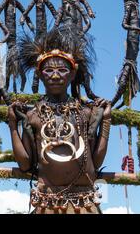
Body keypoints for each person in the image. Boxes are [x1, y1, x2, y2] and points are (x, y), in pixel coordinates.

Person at [8, 28, 111, 214]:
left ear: (72, 74)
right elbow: (25, 165)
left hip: (84, 203)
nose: (55, 76)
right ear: (39, 75)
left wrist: (106, 121)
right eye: (48, 70)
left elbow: (95, 162)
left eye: (62, 70)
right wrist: (13, 126)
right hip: (47, 204)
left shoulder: (86, 113)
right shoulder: (32, 115)